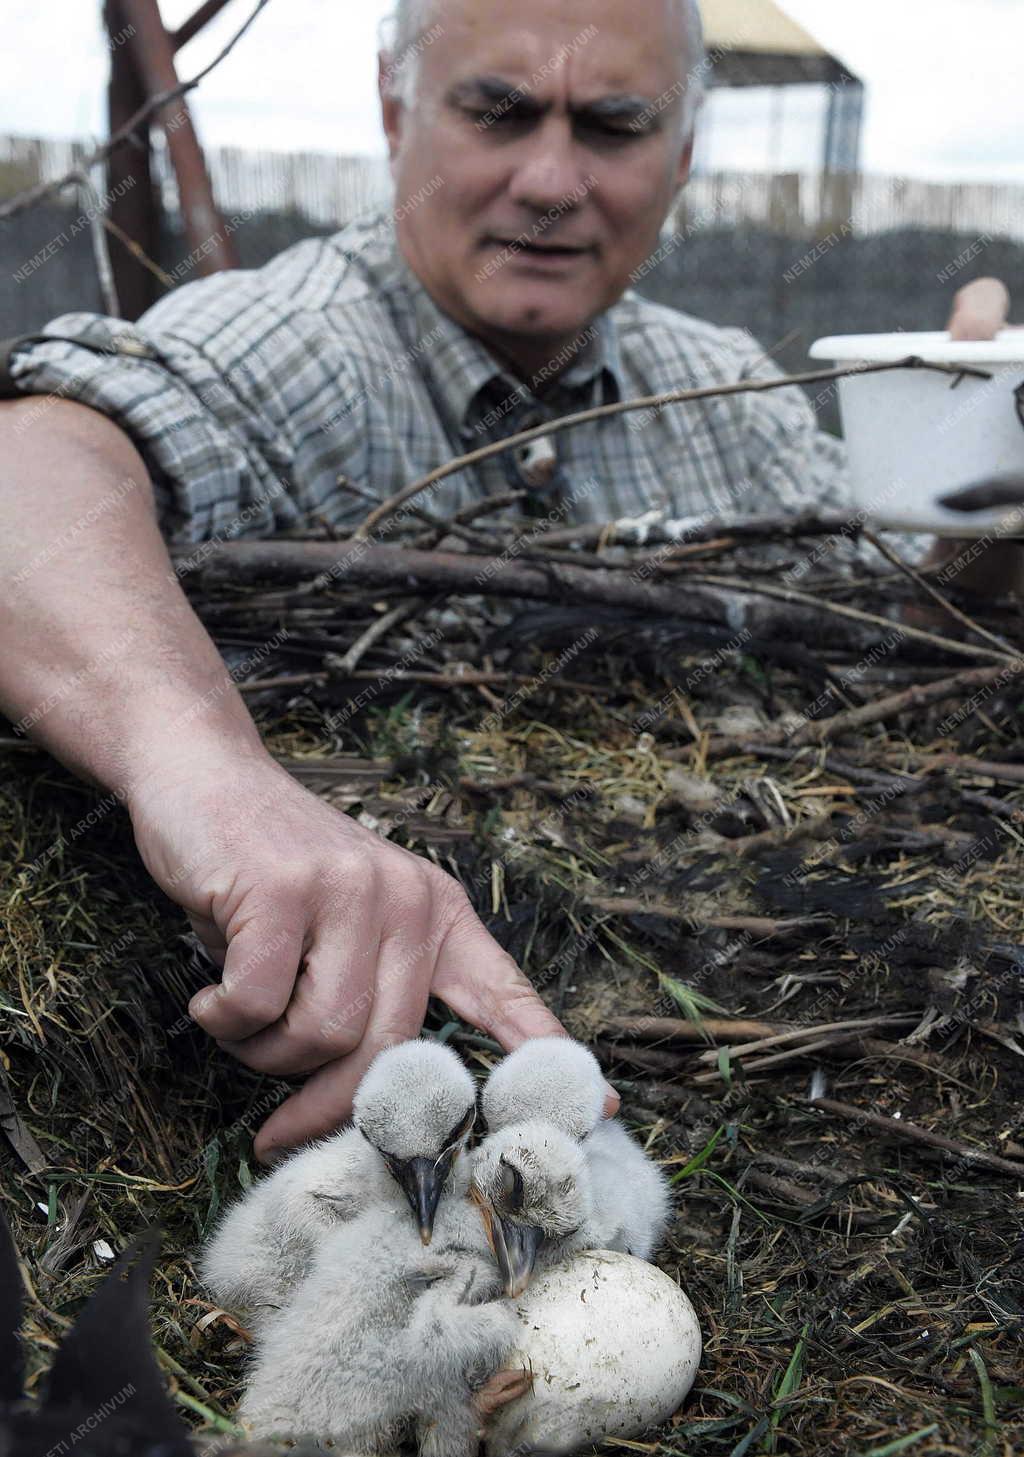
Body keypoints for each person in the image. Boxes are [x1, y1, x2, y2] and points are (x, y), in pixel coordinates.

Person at [0, 0, 1012, 1160]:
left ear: (682, 155)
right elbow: (24, 461)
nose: (549, 179)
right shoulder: (295, 350)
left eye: (613, 126)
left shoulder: (723, 397)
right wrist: (208, 770)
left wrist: (978, 491)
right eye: (499, 111)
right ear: (395, 109)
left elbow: (888, 658)